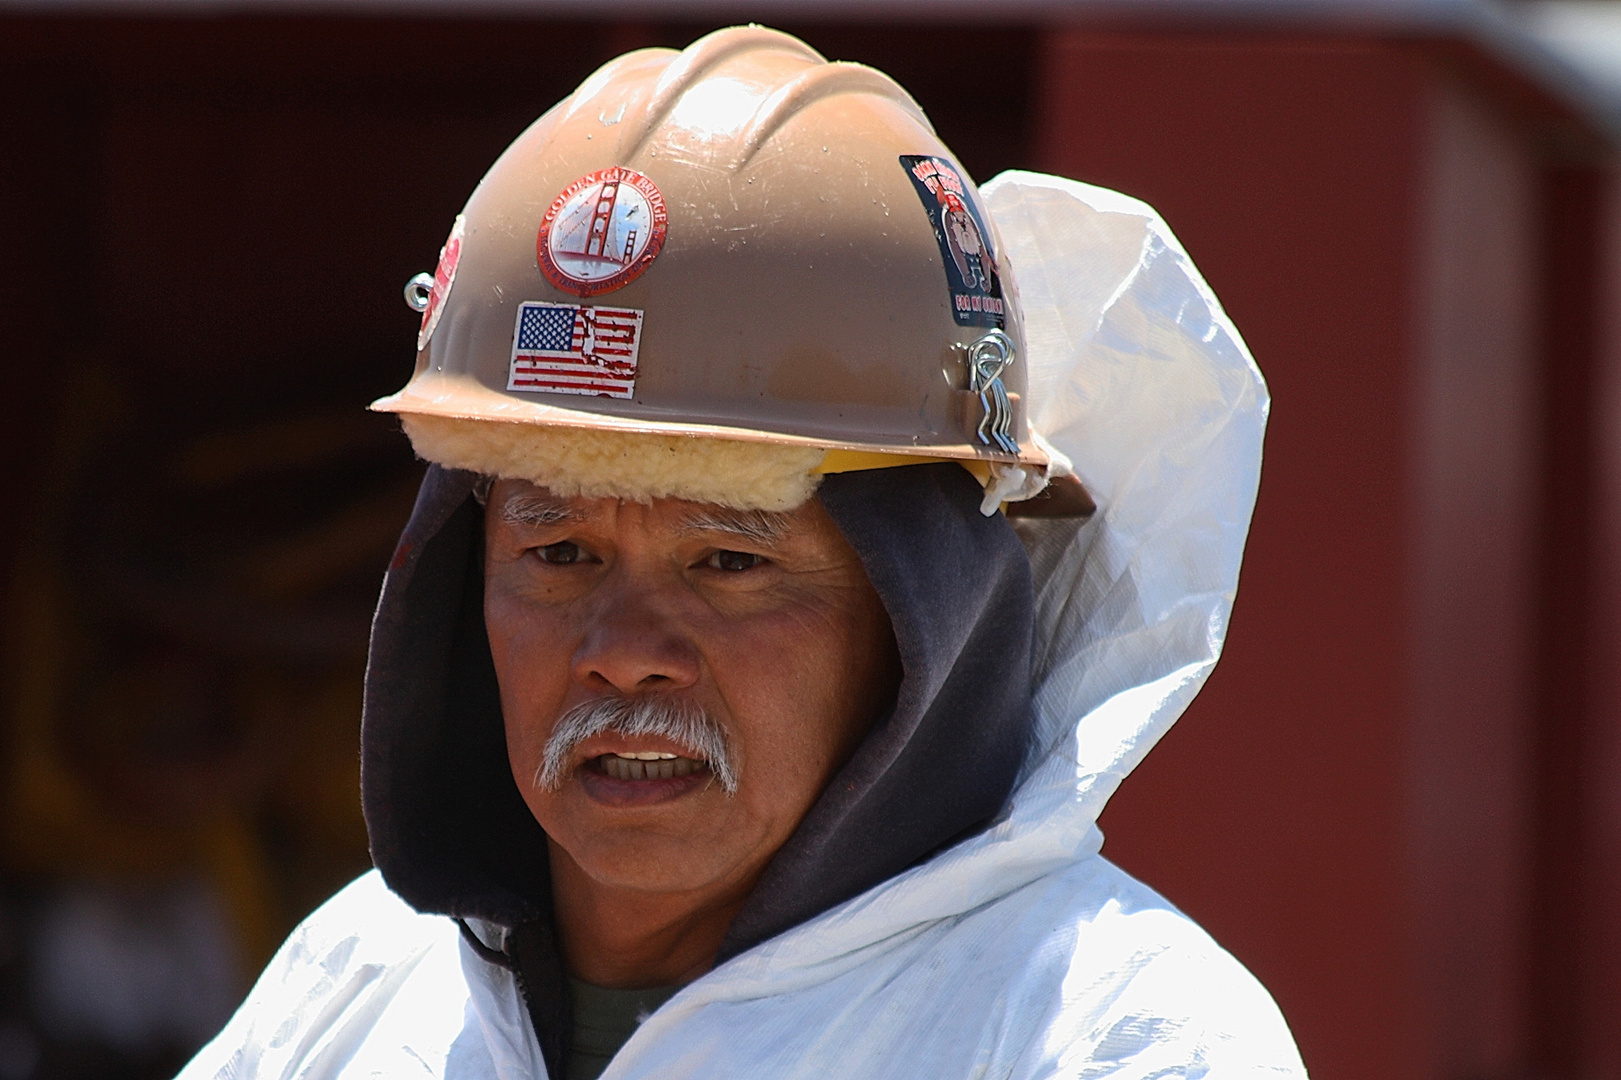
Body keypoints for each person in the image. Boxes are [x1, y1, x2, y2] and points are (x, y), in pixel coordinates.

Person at [177, 25, 1306, 1080]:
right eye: (560, 552)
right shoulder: (362, 990)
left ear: (926, 622)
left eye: (727, 563)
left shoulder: (1106, 1036)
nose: (623, 656)